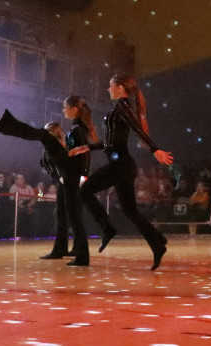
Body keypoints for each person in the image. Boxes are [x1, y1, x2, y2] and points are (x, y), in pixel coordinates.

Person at [70, 74, 174, 270]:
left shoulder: (124, 108)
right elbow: (111, 142)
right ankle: (157, 242)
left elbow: (138, 129)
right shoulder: (119, 108)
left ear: (119, 87)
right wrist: (87, 148)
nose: (107, 89)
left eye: (110, 86)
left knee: (84, 191)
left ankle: (107, 228)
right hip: (123, 165)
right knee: (130, 210)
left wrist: (155, 149)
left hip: (121, 165)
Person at [0, 96, 95, 266]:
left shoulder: (78, 130)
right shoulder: (76, 129)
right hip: (68, 175)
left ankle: (82, 256)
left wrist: (83, 177)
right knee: (63, 216)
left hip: (72, 175)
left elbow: (85, 154)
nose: (63, 111)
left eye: (65, 108)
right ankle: (61, 249)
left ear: (74, 109)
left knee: (74, 218)